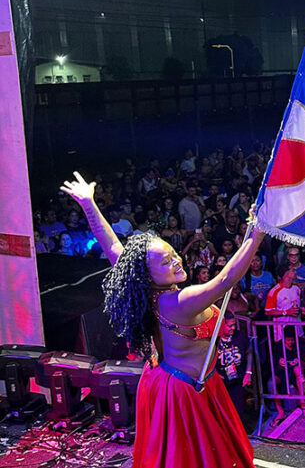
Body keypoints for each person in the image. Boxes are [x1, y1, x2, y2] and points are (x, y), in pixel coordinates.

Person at [61, 171, 262, 468]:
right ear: (149, 273)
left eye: (172, 254)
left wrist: (89, 204)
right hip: (184, 391)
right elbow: (225, 281)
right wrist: (258, 232)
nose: (176, 262)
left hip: (178, 381)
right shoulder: (177, 301)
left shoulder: (145, 287)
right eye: (165, 262)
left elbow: (114, 247)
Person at [216, 311, 254, 422]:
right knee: (222, 412)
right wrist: (215, 374)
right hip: (221, 382)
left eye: (234, 325)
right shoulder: (214, 340)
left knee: (238, 411)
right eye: (230, 326)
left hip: (237, 380)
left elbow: (249, 352)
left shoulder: (240, 336)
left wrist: (248, 372)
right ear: (222, 325)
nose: (233, 328)